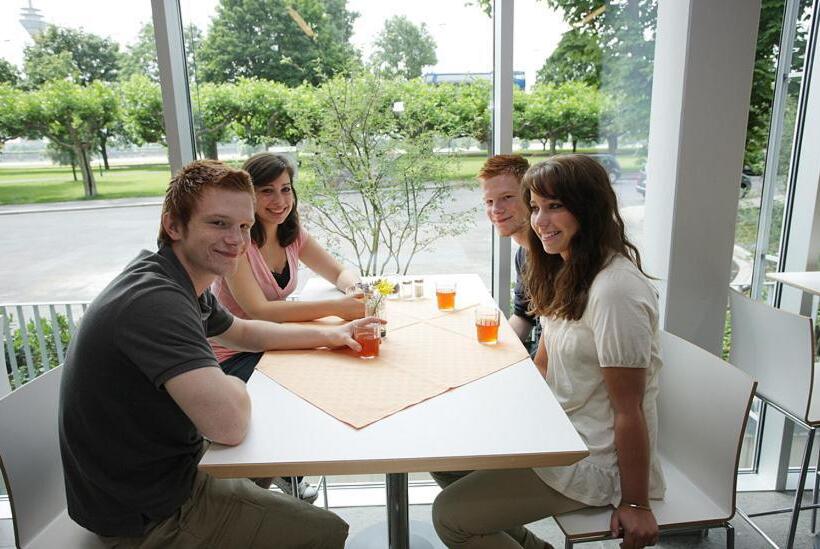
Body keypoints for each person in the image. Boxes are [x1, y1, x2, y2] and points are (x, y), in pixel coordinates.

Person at [59, 160, 377, 548]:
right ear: (174, 225)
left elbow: (242, 331)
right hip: (149, 514)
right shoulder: (156, 303)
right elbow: (229, 424)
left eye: (243, 226)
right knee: (327, 531)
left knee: (262, 461)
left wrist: (330, 335)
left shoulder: (174, 278)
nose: (237, 240)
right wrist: (238, 386)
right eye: (218, 223)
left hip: (149, 478)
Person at [432, 154, 665, 549]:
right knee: (446, 457)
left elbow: (630, 410)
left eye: (554, 206)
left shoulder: (615, 291)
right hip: (555, 427)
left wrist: (635, 502)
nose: (539, 220)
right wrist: (492, 404)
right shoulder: (564, 269)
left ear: (589, 208)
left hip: (591, 457)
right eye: (536, 207)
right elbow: (543, 363)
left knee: (449, 517)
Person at [210, 152, 364, 501]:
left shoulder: (292, 235)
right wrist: (337, 308)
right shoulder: (239, 243)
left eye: (285, 189)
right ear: (249, 197)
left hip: (270, 341)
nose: (279, 200)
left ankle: (285, 467)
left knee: (330, 364)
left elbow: (339, 271)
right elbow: (260, 311)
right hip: (232, 353)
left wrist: (354, 289)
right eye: (267, 191)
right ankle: (266, 478)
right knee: (307, 383)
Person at [476, 154, 539, 350]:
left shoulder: (555, 253)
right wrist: (497, 350)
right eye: (489, 201)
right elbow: (523, 316)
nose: (496, 209)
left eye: (507, 197)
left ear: (531, 197)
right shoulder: (523, 254)